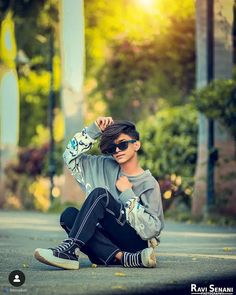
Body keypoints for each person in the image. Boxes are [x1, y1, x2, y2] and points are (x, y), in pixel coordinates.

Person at [34, 117, 164, 270]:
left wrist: (128, 194)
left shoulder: (148, 183)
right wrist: (93, 130)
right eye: (112, 147)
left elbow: (152, 229)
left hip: (136, 244)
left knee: (100, 194)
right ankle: (123, 258)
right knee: (68, 216)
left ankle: (70, 250)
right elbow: (69, 157)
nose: (116, 151)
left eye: (122, 145)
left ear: (136, 144)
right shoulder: (102, 165)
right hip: (104, 250)